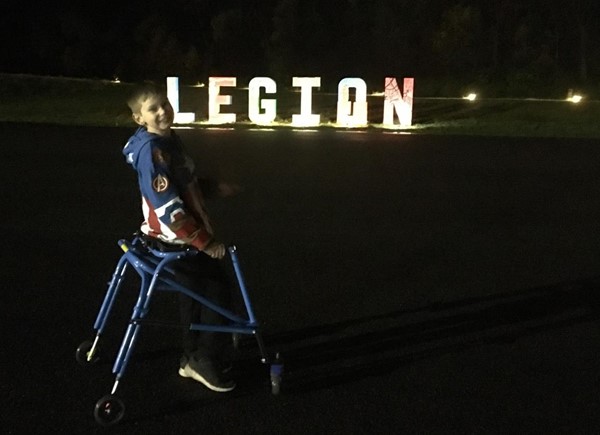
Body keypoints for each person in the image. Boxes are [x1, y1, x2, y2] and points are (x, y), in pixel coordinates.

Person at [122, 82, 237, 392]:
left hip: (181, 237)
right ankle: (204, 357)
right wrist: (204, 242)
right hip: (175, 239)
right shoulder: (152, 151)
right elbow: (168, 207)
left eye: (165, 104)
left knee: (195, 293)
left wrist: (211, 188)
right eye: (153, 109)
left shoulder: (168, 140)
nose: (163, 111)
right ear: (139, 118)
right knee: (218, 292)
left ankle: (193, 356)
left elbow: (184, 179)